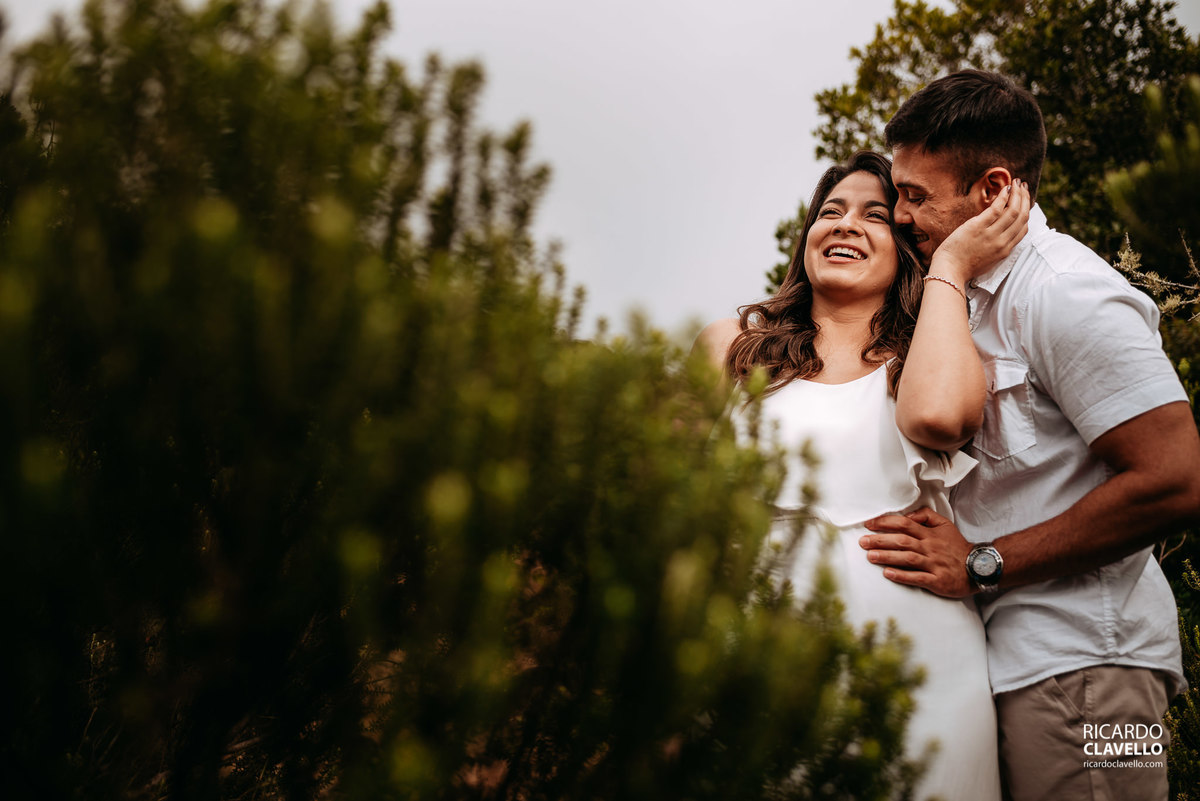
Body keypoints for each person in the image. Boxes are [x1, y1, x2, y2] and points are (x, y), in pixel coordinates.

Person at [857, 69, 1200, 801]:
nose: (900, 214)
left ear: (991, 190)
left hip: (1093, 675)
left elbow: (1175, 478)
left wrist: (982, 564)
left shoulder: (1065, 291)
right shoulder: (968, 296)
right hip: (1022, 669)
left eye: (917, 195)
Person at [695, 150, 1030, 800]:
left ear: (906, 249)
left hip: (923, 675)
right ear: (807, 237)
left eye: (876, 216)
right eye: (830, 211)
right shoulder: (729, 348)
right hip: (756, 671)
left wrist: (951, 268)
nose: (846, 225)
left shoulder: (931, 355)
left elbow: (946, 415)